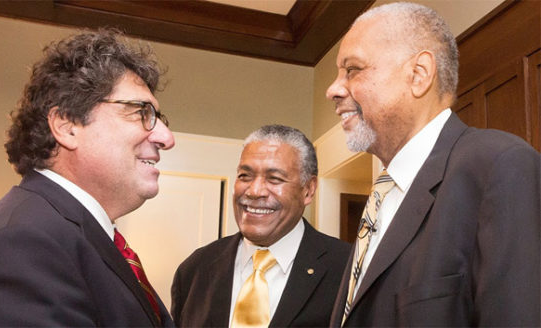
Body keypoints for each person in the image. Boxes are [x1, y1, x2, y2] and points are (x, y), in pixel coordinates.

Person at [325, 2, 540, 327]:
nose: (333, 90)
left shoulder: (498, 166)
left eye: (352, 69)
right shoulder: (380, 198)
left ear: (419, 74)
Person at [0, 29, 176, 327]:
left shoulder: (71, 233)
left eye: (159, 119)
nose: (166, 137)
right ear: (67, 125)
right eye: (141, 112)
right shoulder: (22, 242)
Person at [171, 125, 351, 327]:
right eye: (244, 176)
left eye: (274, 178)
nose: (255, 191)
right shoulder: (195, 270)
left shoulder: (348, 269)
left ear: (308, 190)